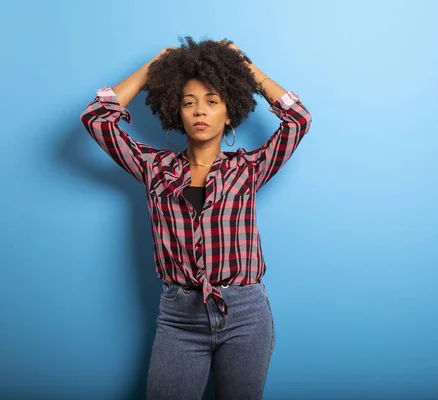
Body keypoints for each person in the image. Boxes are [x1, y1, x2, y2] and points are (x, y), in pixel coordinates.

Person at [80, 37, 312, 400]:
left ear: (229, 112)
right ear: (177, 111)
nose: (200, 111)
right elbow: (96, 118)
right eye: (189, 103)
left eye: (212, 101)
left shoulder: (249, 169)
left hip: (246, 316)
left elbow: (298, 119)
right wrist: (152, 69)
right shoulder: (154, 167)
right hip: (179, 316)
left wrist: (245, 67)